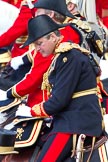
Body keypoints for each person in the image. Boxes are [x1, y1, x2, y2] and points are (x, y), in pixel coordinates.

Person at [21, 14, 104, 162]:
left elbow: (59, 100)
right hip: (69, 118)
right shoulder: (62, 56)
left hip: (75, 122)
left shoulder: (68, 57)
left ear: (53, 37)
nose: (37, 49)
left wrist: (31, 111)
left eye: (39, 43)